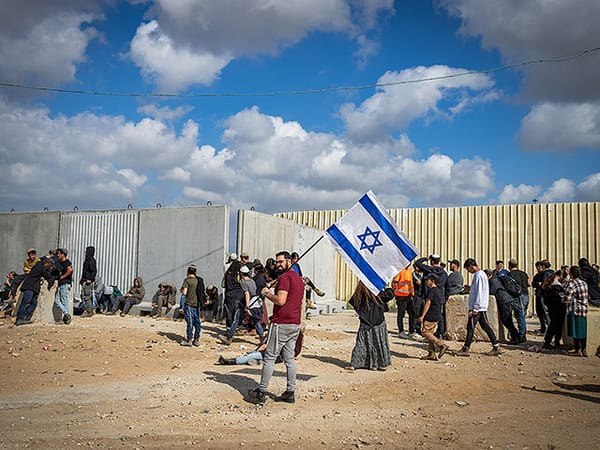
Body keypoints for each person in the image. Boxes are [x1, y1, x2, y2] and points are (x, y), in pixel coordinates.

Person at [247, 251, 304, 405]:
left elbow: (280, 300)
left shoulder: (285, 278)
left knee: (270, 357)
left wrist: (266, 293)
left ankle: (261, 391)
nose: (277, 264)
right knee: (289, 359)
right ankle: (290, 392)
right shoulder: (299, 279)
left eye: (281, 262)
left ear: (289, 261)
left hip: (282, 323)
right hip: (295, 324)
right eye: (277, 262)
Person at [345, 282, 395, 372]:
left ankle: (354, 364)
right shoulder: (378, 293)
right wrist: (385, 286)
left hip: (365, 322)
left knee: (361, 343)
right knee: (377, 344)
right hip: (378, 322)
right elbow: (390, 294)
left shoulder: (360, 292)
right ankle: (375, 365)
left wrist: (362, 314)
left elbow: (354, 303)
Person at [456, 258, 501, 357]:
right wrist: (470, 288)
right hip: (481, 306)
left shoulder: (479, 275)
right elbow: (478, 290)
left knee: (470, 327)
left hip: (478, 307)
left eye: (468, 269)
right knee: (485, 326)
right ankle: (496, 346)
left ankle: (466, 348)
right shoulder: (481, 275)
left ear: (471, 266)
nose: (469, 272)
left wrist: (475, 308)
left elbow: (480, 292)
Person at [415, 254, 449, 338]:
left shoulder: (429, 269)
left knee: (425, 313)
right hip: (439, 296)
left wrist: (425, 258)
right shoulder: (444, 273)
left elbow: (417, 263)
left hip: (428, 295)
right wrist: (445, 297)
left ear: (432, 261)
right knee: (439, 315)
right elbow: (448, 287)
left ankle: (424, 332)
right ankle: (440, 333)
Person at [417, 274, 449, 360]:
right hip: (437, 314)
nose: (427, 282)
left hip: (430, 315)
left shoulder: (431, 291)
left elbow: (428, 303)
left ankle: (441, 345)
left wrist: (422, 316)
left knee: (424, 332)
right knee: (430, 334)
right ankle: (431, 353)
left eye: (428, 280)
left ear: (432, 281)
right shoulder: (439, 291)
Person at [15, 259, 56, 326]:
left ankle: (25, 317)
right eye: (50, 266)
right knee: (25, 302)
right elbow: (48, 276)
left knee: (34, 303)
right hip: (30, 287)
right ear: (48, 263)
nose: (50, 268)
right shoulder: (41, 267)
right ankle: (19, 318)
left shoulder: (38, 266)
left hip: (33, 288)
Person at [485, 270, 520, 345]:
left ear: (488, 275)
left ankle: (516, 337)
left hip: (504, 301)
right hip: (506, 300)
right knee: (507, 320)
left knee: (507, 320)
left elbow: (492, 291)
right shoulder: (494, 279)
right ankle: (516, 337)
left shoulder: (493, 281)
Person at [564, 265, 589, 357]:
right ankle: (584, 349)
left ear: (571, 273)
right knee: (582, 331)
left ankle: (577, 349)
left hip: (574, 309)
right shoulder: (584, 283)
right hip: (583, 310)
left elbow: (567, 298)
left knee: (575, 331)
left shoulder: (572, 284)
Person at [541, 270, 567, 350]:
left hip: (551, 307)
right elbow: (561, 297)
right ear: (561, 276)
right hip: (558, 307)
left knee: (553, 324)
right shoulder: (557, 286)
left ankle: (549, 341)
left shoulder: (549, 283)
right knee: (557, 325)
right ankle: (554, 342)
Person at [508, 258, 530, 342]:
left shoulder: (510, 274)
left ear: (509, 266)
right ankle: (522, 333)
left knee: (520, 316)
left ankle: (522, 335)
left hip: (518, 297)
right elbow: (529, 283)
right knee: (522, 315)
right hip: (525, 295)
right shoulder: (524, 273)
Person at [179, 265, 201, 347]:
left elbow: (184, 293)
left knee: (190, 322)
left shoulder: (187, 280)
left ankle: (189, 340)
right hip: (197, 304)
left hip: (189, 303)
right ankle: (197, 339)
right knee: (197, 322)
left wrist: (181, 290)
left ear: (188, 271)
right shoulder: (198, 280)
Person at [391, 266, 415, 339]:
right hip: (400, 296)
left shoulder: (410, 270)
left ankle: (411, 331)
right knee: (401, 314)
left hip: (408, 295)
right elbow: (394, 283)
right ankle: (401, 331)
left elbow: (410, 283)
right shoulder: (400, 270)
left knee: (412, 313)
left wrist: (412, 293)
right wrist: (395, 293)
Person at [221, 260, 244, 331]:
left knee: (229, 312)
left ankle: (229, 328)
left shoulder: (227, 274)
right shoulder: (239, 275)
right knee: (237, 312)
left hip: (229, 295)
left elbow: (223, 285)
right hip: (239, 295)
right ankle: (235, 328)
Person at [532, 260, 552, 334]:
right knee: (540, 312)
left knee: (545, 312)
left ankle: (548, 330)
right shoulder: (537, 275)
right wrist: (537, 283)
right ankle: (543, 328)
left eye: (539, 267)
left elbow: (544, 285)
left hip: (543, 296)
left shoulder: (546, 273)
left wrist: (541, 284)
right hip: (540, 295)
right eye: (537, 267)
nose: (538, 268)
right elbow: (533, 284)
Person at [54, 248, 73, 325]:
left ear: (63, 254)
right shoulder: (62, 263)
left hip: (65, 284)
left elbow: (70, 270)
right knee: (57, 300)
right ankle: (66, 314)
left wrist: (63, 276)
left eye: (59, 253)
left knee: (64, 301)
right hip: (62, 284)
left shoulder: (66, 262)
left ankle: (66, 318)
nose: (58, 255)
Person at [80, 246, 97, 318]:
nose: (85, 252)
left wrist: (90, 279)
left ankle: (89, 311)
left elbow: (94, 271)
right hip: (85, 280)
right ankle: (88, 309)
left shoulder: (91, 260)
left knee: (87, 296)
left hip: (88, 281)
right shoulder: (87, 260)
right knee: (84, 295)